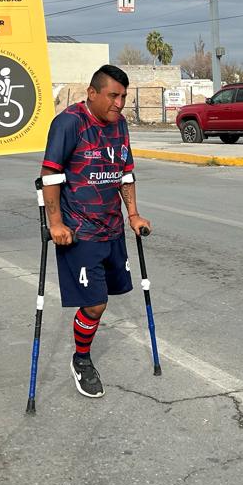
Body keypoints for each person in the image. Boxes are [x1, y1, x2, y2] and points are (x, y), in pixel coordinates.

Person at [40, 64, 151, 399]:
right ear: (92, 93)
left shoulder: (120, 126)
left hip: (112, 228)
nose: (119, 103)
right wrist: (55, 223)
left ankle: (82, 352)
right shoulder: (69, 123)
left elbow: (125, 173)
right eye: (113, 95)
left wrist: (133, 214)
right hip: (79, 230)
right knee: (95, 304)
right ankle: (81, 359)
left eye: (123, 96)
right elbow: (50, 175)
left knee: (109, 295)